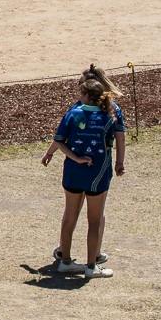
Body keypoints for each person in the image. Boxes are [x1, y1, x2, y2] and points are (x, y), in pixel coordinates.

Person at [41, 76, 127, 278]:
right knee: (94, 220)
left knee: (69, 216)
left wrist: (75, 158)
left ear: (87, 95)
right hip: (98, 172)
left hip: (72, 172)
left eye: (81, 93)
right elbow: (118, 138)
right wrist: (119, 163)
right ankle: (91, 266)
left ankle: (65, 261)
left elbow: (60, 140)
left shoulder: (73, 113)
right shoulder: (109, 115)